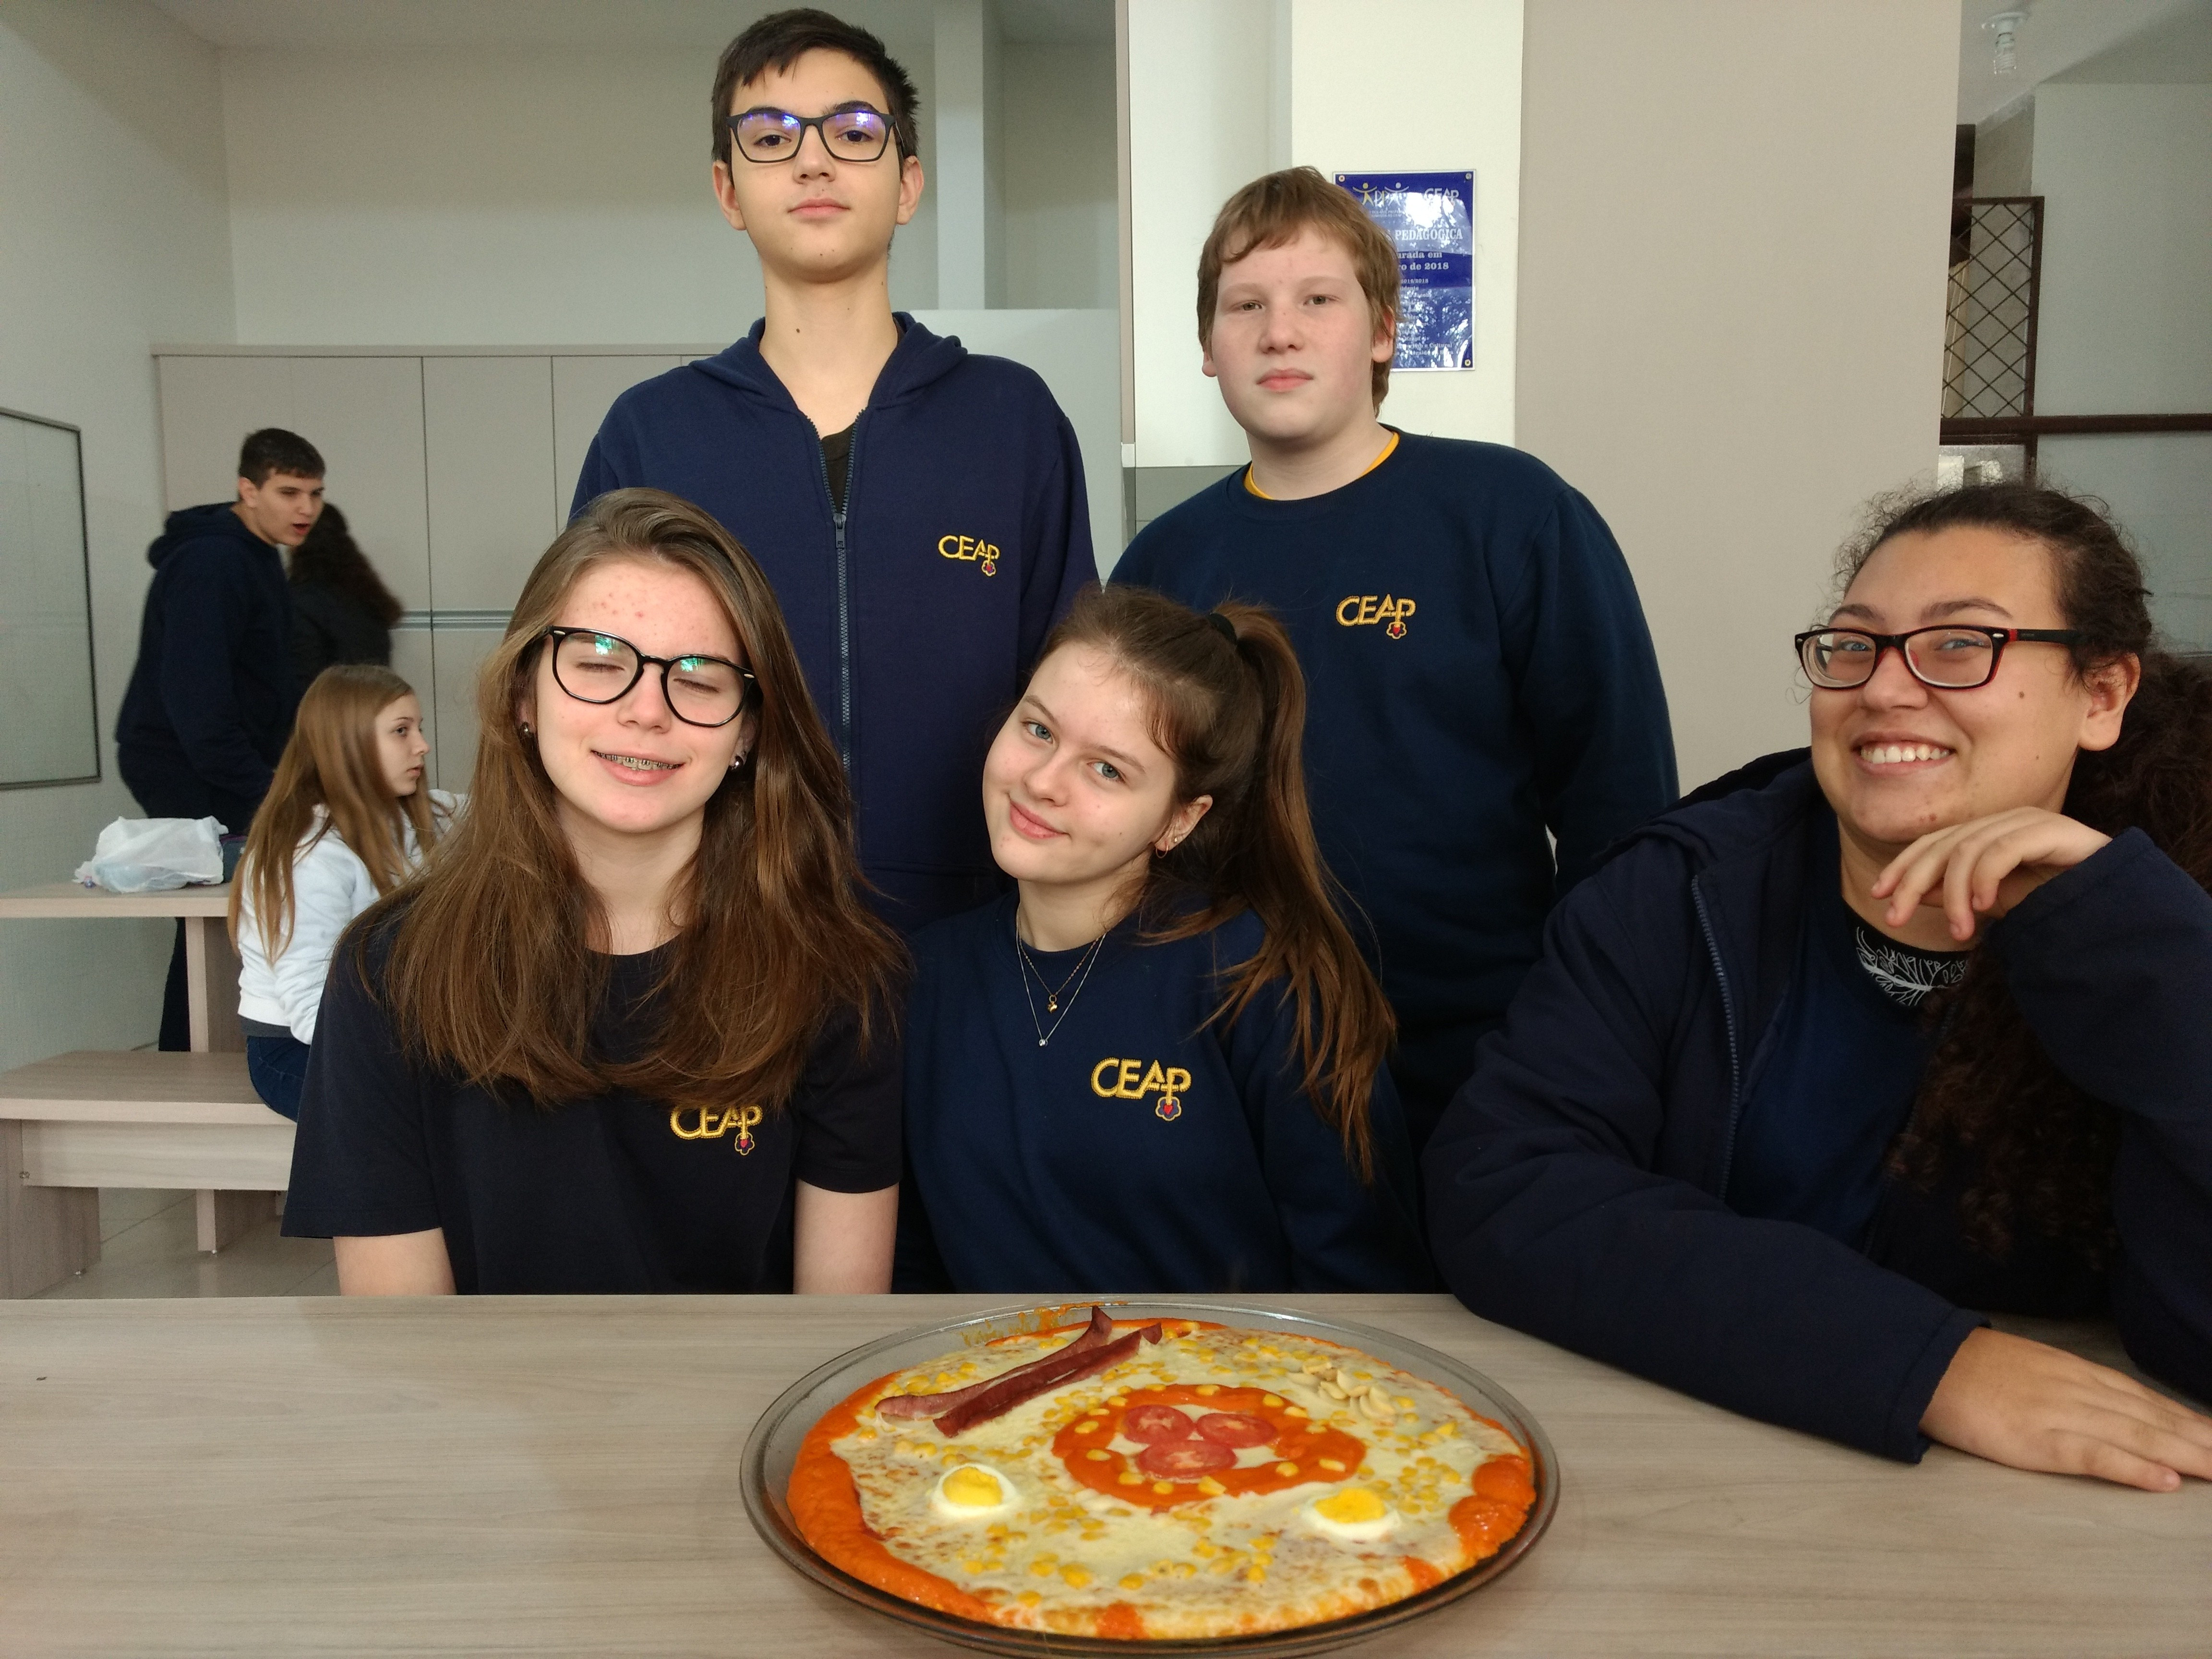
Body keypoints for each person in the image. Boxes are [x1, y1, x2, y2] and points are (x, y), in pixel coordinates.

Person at [1425, 481, 2212, 1491]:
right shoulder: (1677, 892)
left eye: (1959, 645)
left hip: (2069, 1510)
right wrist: (1929, 1365)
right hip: (1710, 1468)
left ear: (2100, 695)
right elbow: (1506, 1188)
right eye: (1854, 645)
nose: (1883, 689)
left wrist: (2143, 953)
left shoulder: (2170, 921)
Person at [1114, 168, 1677, 1154]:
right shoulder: (1164, 561)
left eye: (1316, 301)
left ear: (1381, 332)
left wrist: (1586, 1027)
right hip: (1233, 1049)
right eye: (1245, 306)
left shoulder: (1512, 515)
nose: (1279, 333)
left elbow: (1619, 808)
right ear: (1207, 346)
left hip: (1482, 1053)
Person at [281, 489, 904, 1295]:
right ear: (524, 696)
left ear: (748, 730)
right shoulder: (386, 971)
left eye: (699, 679)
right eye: (600, 664)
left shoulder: (840, 976)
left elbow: (835, 1326)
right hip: (472, 1383)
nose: (646, 711)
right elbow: (399, 1339)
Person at [573, 8, 1094, 933]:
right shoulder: (651, 435)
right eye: (771, 136)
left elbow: (1073, 696)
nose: (812, 161)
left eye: (852, 132)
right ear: (729, 191)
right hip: (714, 936)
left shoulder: (1011, 421)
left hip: (974, 940)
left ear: (907, 182)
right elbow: (596, 701)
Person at [898, 584, 1431, 1294]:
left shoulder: (1264, 982)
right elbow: (909, 1273)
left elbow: (1366, 1284)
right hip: (991, 1364)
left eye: (1108, 770)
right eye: (1039, 730)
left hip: (1231, 1367)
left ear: (1181, 819)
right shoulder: (918, 979)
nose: (1044, 782)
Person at [117, 426, 326, 1050]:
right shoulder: (213, 562)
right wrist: (266, 787)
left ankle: (206, 1055)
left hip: (223, 759)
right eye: (289, 492)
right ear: (248, 489)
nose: (306, 509)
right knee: (216, 921)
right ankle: (190, 1058)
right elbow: (197, 696)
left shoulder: (255, 555)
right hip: (192, 765)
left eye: (315, 494)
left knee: (228, 919)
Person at [231, 666, 453, 1121]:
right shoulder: (309, 856)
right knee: (435, 1116)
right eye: (401, 731)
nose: (422, 746)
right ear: (348, 745)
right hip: (298, 1049)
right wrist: (410, 1061)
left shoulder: (415, 817)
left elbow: (494, 812)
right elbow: (310, 1006)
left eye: (419, 728)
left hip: (376, 1033)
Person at [289, 504, 403, 684]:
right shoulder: (367, 594)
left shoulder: (301, 600)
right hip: (373, 698)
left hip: (329, 700)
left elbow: (304, 678)